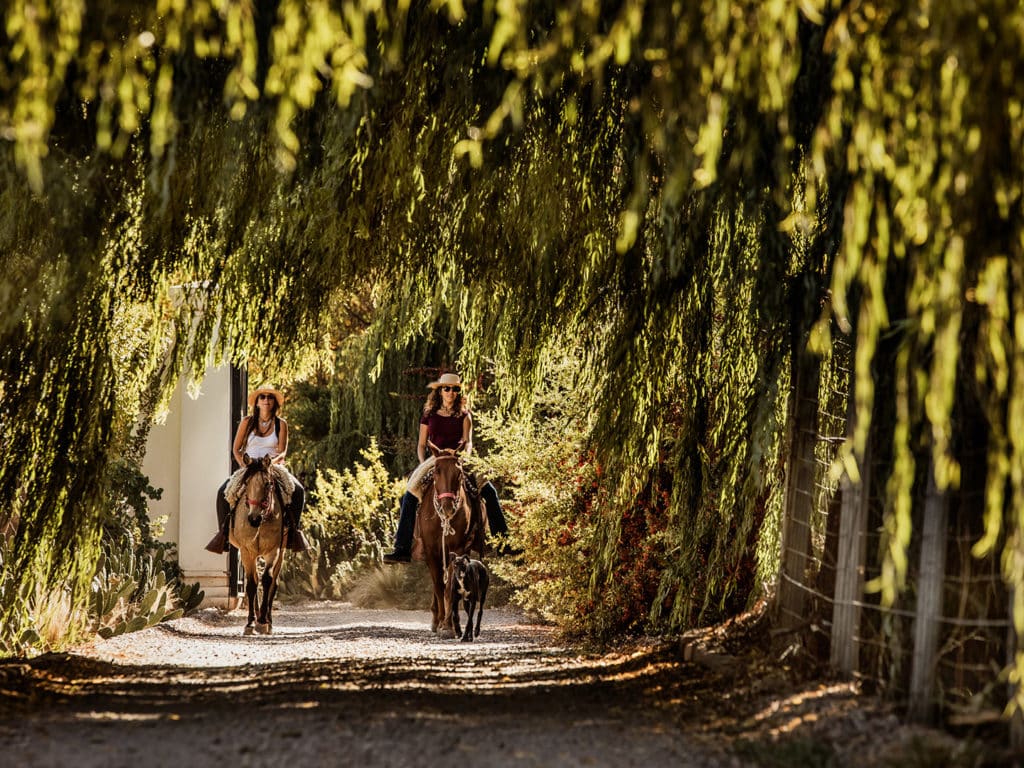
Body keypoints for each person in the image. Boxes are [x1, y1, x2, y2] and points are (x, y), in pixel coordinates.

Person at [383, 372, 510, 564]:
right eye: (447, 388)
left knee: (489, 491)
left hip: (459, 458)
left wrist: (464, 456)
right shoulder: (429, 416)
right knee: (410, 493)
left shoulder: (464, 415)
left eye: (455, 389)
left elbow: (468, 442)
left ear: (458, 392)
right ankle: (402, 548)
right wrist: (423, 462)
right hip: (436, 459)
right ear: (440, 391)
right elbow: (421, 444)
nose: (451, 392)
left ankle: (503, 542)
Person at [205, 384, 310, 554]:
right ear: (257, 402)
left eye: (270, 397)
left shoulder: (281, 424)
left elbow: (282, 451)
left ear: (274, 402)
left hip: (272, 467)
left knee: (298, 491)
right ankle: (223, 535)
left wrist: (270, 463)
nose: (266, 400)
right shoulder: (247, 422)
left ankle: (293, 534)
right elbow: (236, 449)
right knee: (222, 492)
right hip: (250, 466)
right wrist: (243, 464)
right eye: (263, 397)